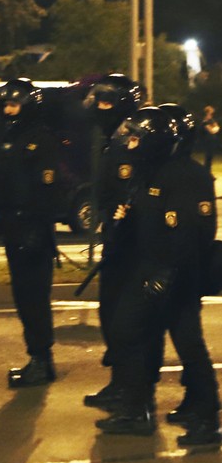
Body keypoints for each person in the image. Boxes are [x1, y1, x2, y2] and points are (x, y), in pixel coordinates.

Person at [95, 107, 220, 445]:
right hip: (151, 269)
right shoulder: (152, 170)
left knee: (182, 342)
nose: (132, 143)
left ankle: (205, 418)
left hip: (173, 274)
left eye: (139, 137)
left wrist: (166, 273)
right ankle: (142, 409)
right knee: (135, 334)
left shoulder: (186, 176)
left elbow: (193, 232)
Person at [0, 79, 59, 387]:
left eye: (14, 105)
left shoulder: (41, 139)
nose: (9, 110)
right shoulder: (5, 137)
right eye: (6, 105)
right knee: (22, 296)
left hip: (34, 228)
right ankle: (37, 357)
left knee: (34, 297)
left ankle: (42, 360)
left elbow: (46, 191)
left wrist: (38, 229)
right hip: (13, 226)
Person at [82, 74, 144, 409]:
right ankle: (119, 382)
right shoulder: (110, 139)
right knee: (109, 314)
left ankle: (132, 393)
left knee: (126, 321)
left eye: (108, 102)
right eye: (99, 102)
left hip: (133, 246)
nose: (101, 109)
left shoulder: (135, 138)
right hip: (114, 241)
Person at [199, 105, 220, 171]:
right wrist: (214, 129)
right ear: (207, 113)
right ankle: (206, 170)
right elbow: (211, 130)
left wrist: (215, 128)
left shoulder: (211, 120)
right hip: (208, 140)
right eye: (210, 113)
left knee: (210, 156)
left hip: (212, 140)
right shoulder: (205, 121)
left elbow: (217, 127)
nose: (211, 115)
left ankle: (208, 170)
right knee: (208, 156)